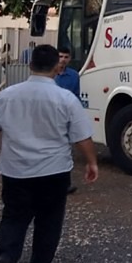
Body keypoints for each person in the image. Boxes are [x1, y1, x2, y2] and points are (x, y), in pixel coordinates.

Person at [0, 44, 98, 263]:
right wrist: (92, 161)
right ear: (57, 66)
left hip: (15, 170)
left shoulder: (6, 96)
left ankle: (5, 258)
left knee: (13, 218)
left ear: (30, 64)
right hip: (53, 171)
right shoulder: (65, 98)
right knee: (49, 222)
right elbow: (81, 136)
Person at [53, 46, 82, 195]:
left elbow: (76, 95)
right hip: (50, 117)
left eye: (66, 57)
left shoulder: (74, 76)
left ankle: (65, 183)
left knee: (65, 150)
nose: (63, 60)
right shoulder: (50, 75)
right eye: (60, 56)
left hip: (66, 117)